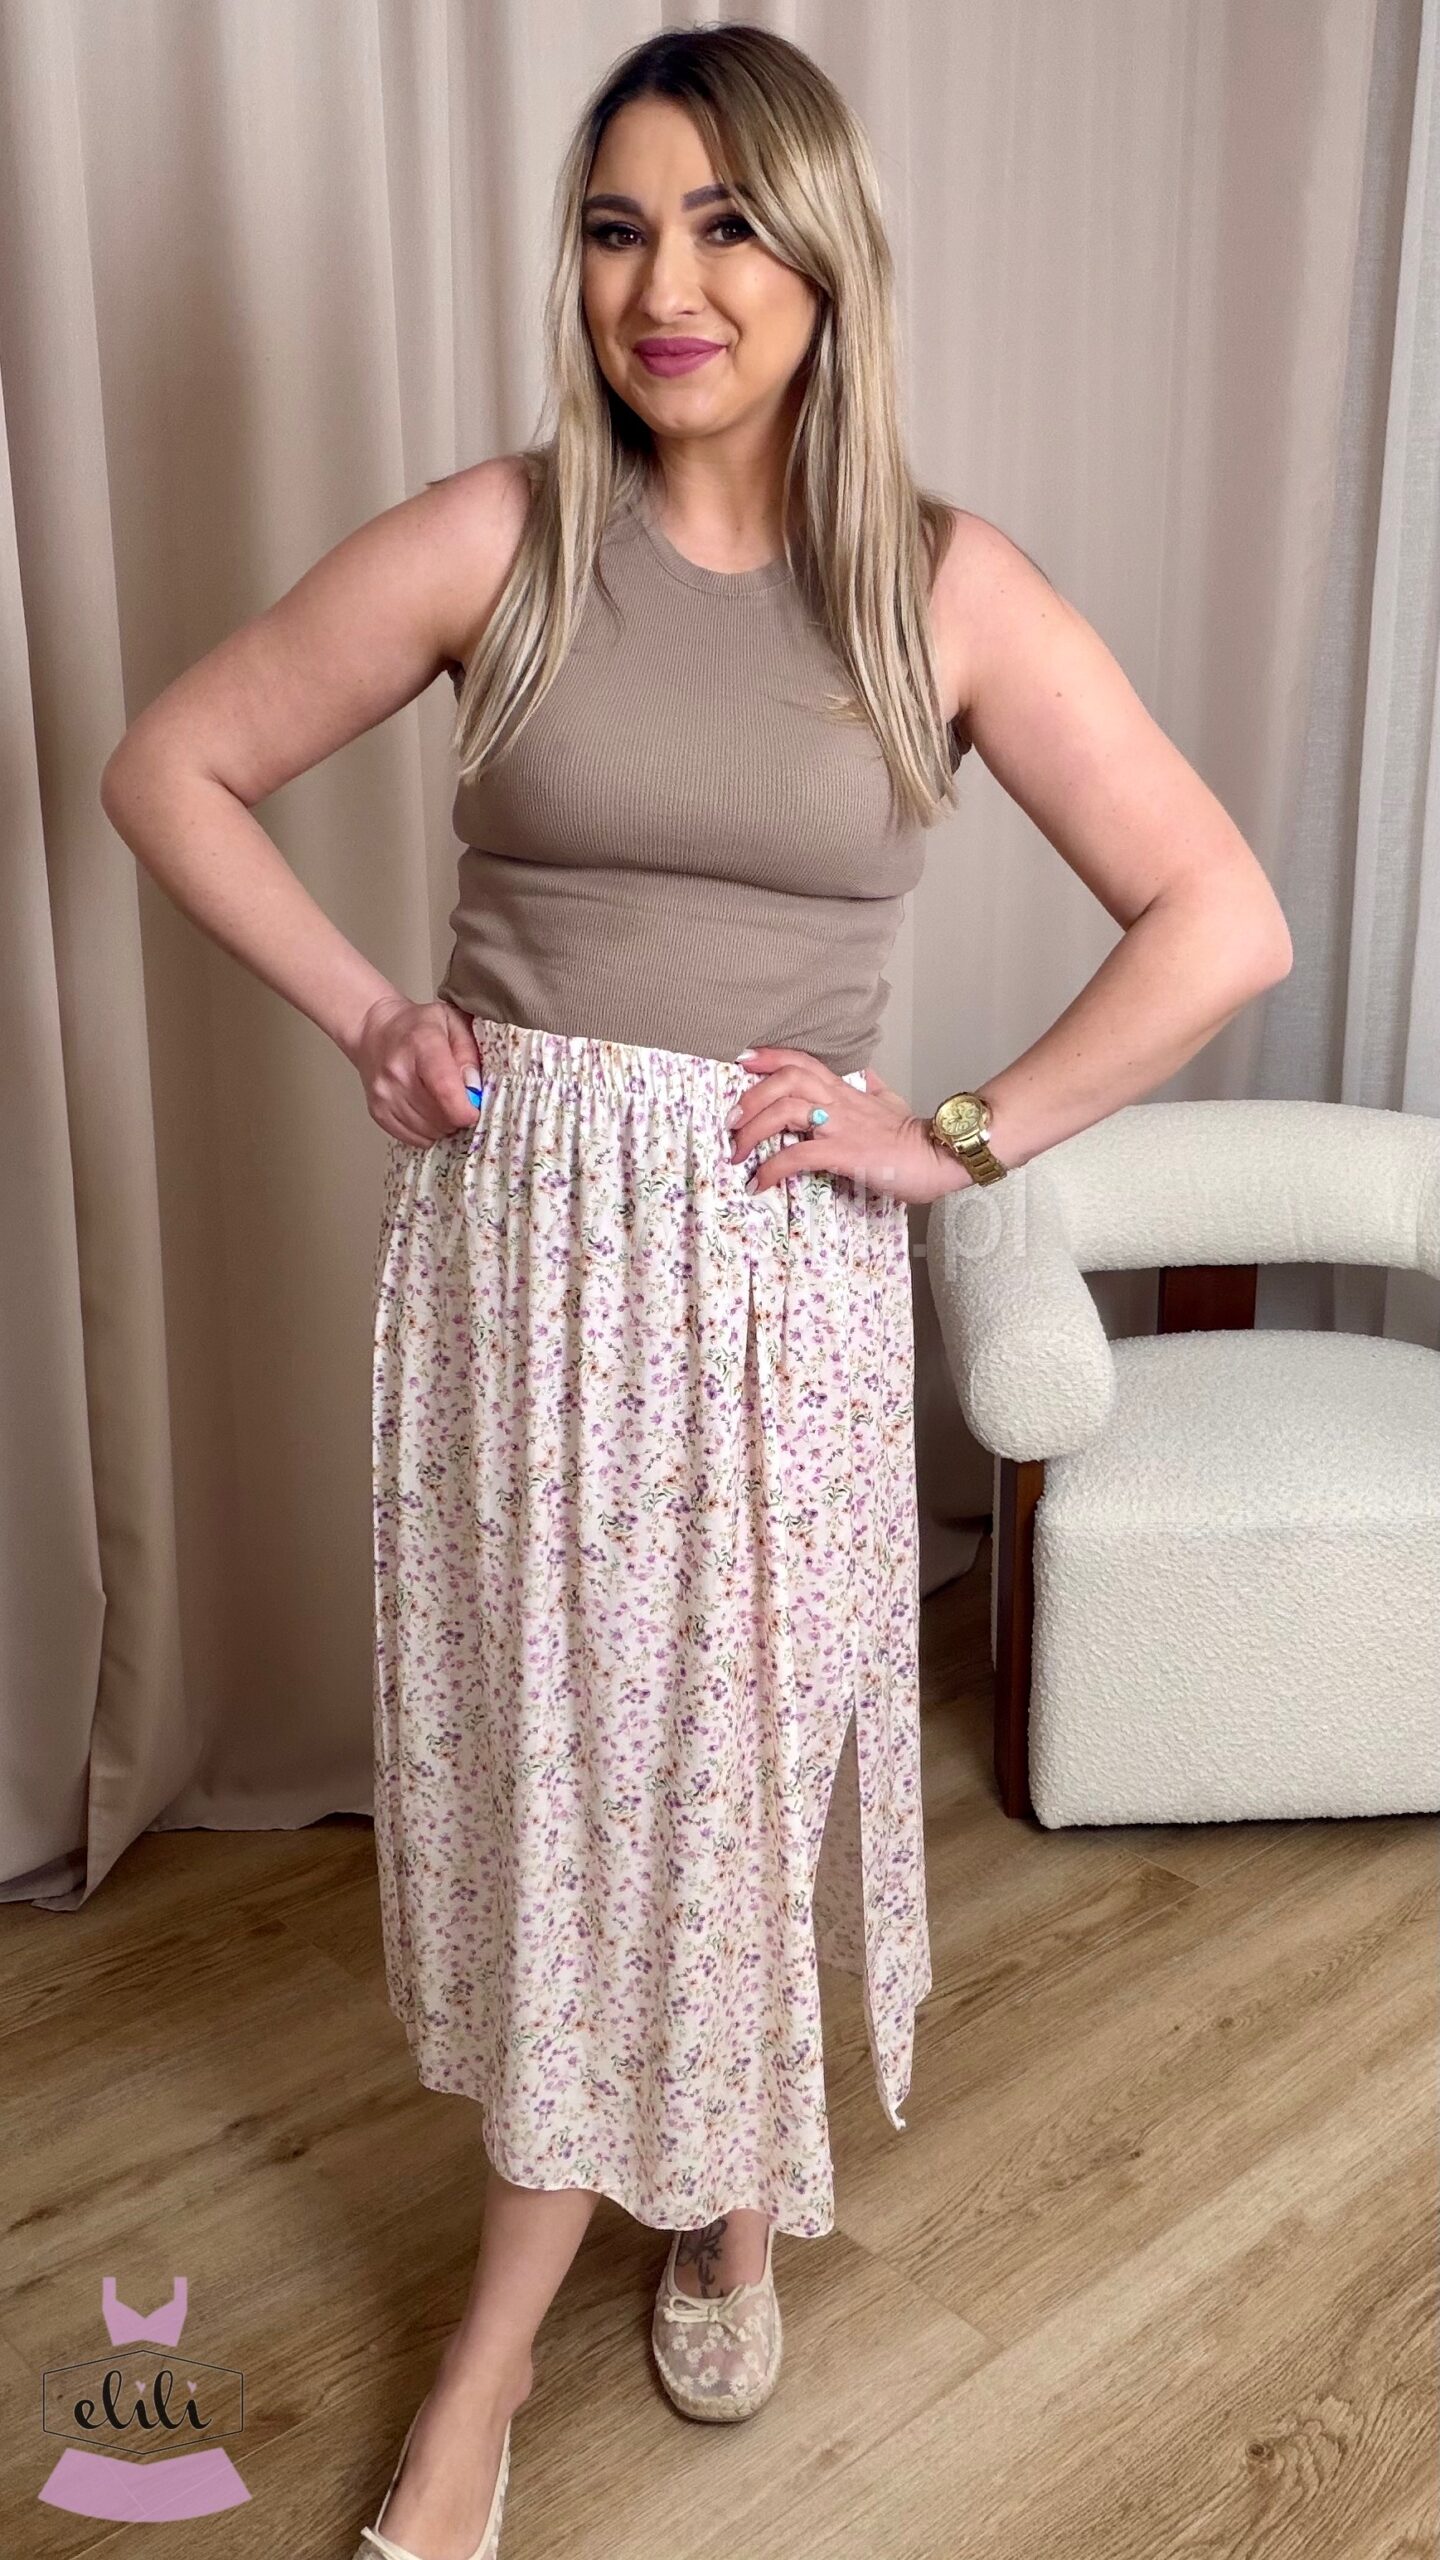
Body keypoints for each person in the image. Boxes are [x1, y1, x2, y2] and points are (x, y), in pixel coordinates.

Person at [99, 26, 1292, 2560]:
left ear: (826, 258)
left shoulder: (943, 585)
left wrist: (952, 1130)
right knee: (568, 1787)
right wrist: (373, 1011)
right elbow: (168, 762)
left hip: (770, 1287)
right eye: (621, 224)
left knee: (715, 1778)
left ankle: (498, 2361)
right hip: (521, 1273)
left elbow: (1221, 915)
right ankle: (720, 2172)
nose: (670, 280)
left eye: (730, 223)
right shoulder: (504, 537)